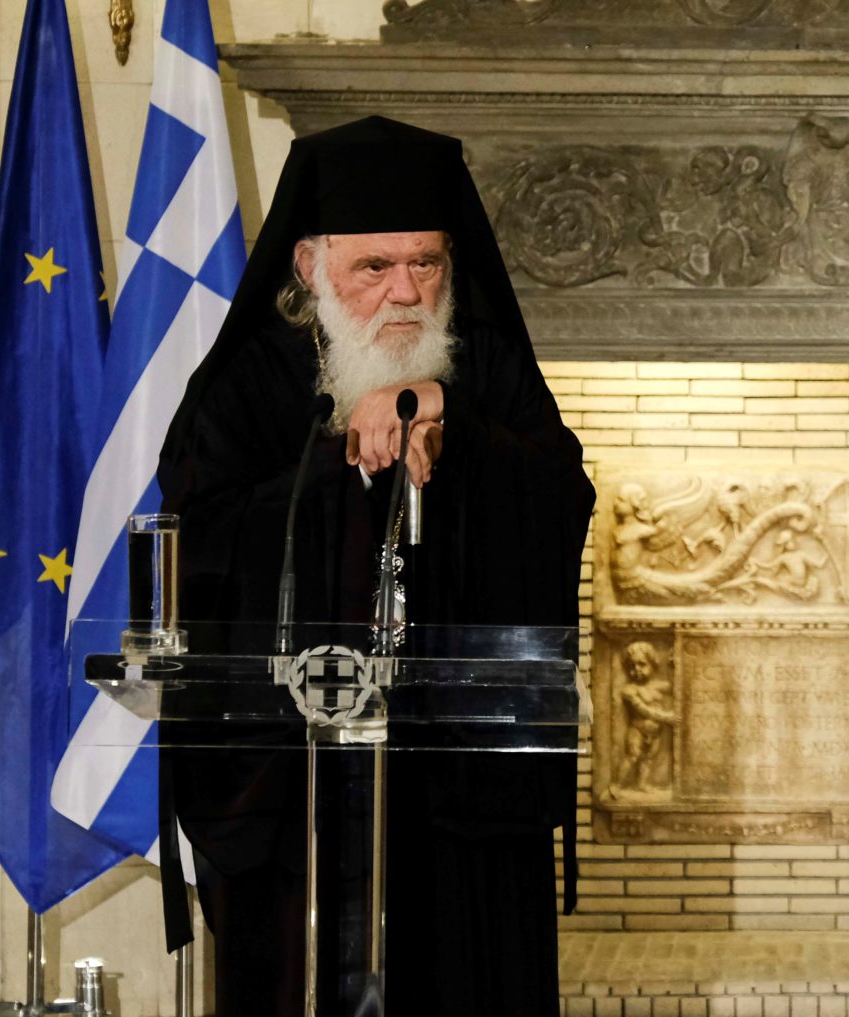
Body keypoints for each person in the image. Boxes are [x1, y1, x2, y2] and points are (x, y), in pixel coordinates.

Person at [157, 116, 593, 1015]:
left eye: (426, 262)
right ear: (310, 265)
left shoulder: (484, 366)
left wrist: (453, 422)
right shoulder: (250, 381)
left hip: (463, 800)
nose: (405, 291)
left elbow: (563, 499)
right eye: (375, 267)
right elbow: (199, 541)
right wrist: (338, 463)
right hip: (299, 799)